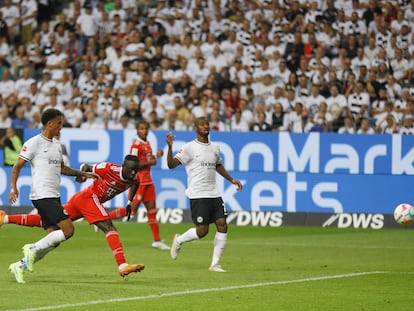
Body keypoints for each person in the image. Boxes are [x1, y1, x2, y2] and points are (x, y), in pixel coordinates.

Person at [2, 154, 146, 283]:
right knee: (109, 227)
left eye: (136, 170)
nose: (133, 173)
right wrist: (82, 175)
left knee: (48, 224)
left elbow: (136, 184)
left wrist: (129, 202)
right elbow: (86, 167)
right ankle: (122, 265)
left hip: (83, 202)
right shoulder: (109, 168)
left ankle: (8, 228)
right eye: (131, 170)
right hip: (88, 198)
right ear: (124, 166)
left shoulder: (134, 178)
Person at [7, 108, 100, 284]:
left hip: (54, 195)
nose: (61, 127)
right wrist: (13, 188)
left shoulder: (56, 145)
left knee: (53, 240)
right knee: (69, 230)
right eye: (59, 123)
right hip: (41, 195)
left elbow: (63, 169)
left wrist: (84, 174)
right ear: (49, 124)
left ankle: (19, 266)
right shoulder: (34, 143)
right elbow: (17, 166)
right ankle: (31, 248)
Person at [166, 116, 243, 272]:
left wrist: (232, 180)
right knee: (203, 231)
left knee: (222, 224)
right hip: (198, 194)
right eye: (202, 124)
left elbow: (218, 166)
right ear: (196, 128)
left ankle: (214, 264)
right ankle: (179, 240)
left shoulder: (215, 147)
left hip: (214, 193)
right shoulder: (189, 147)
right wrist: (169, 147)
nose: (205, 126)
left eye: (207, 124)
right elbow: (171, 165)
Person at [108, 120, 170, 250]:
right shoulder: (136, 145)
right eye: (141, 128)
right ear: (137, 130)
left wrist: (156, 156)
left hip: (148, 181)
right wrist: (151, 162)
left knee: (152, 211)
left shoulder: (147, 143)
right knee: (132, 210)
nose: (144, 130)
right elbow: (133, 165)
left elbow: (146, 159)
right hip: (138, 181)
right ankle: (104, 219)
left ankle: (157, 240)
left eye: (146, 128)